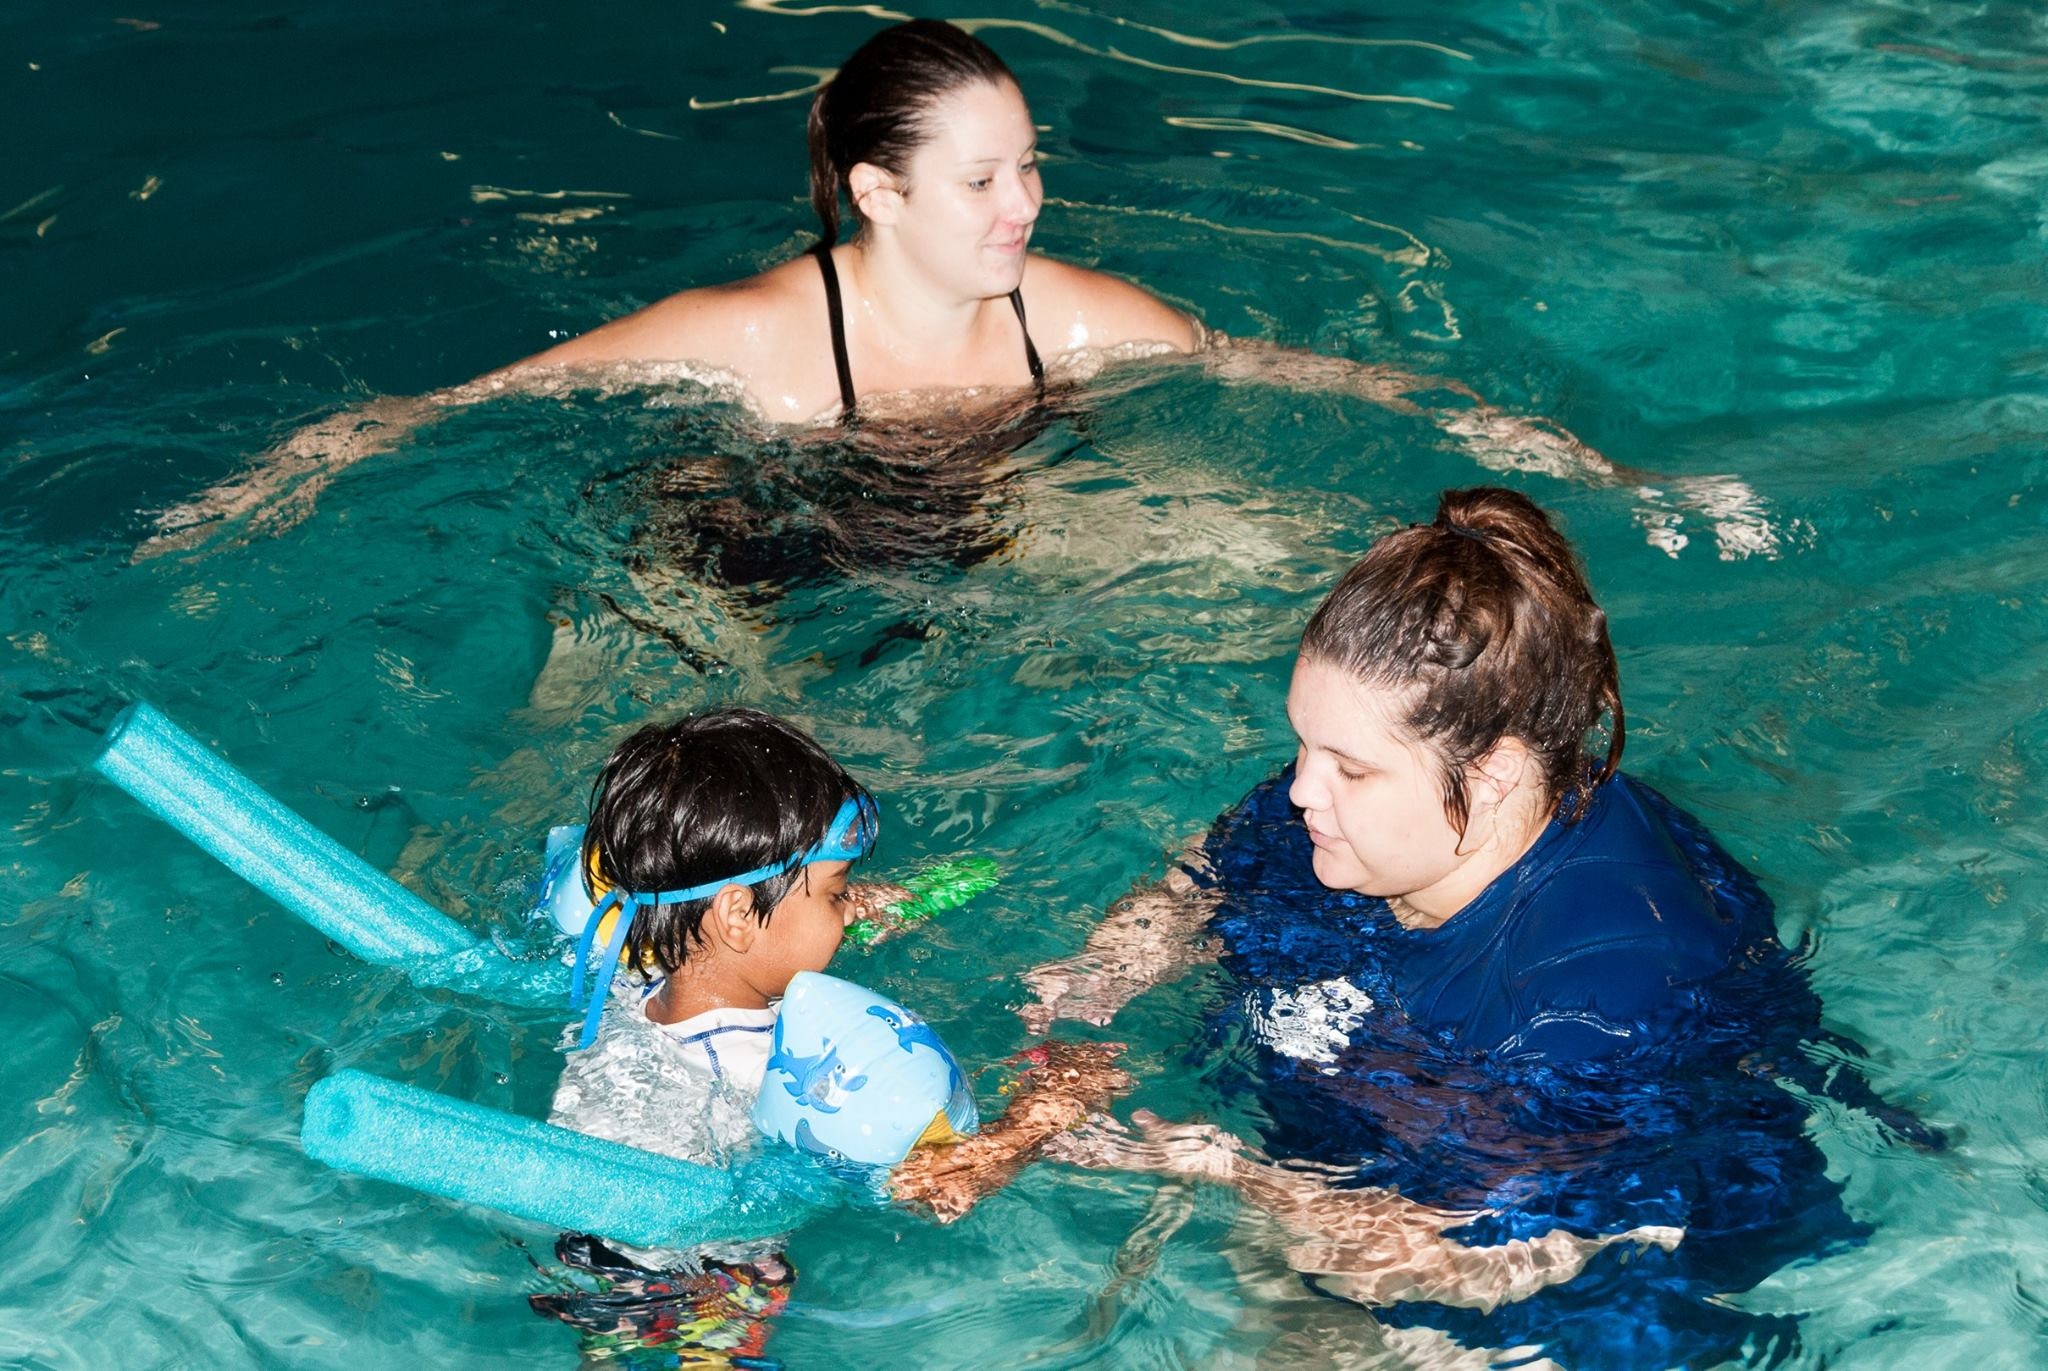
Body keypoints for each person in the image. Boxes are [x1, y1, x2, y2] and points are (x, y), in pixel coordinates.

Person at [139, 20, 1737, 568]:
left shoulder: (1066, 314)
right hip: (741, 554)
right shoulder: (759, 338)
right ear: (878, 192)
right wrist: (276, 481)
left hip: (982, 533)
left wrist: (1617, 473)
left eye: (1030, 167)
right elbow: (454, 411)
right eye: (981, 182)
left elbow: (1328, 381)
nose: (1024, 205)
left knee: (1251, 552)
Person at [1022, 487, 1934, 1365]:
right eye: (1303, 745)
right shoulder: (1360, 815)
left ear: (1493, 776)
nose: (1301, 789)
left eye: (1349, 766)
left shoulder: (1606, 997)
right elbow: (1206, 869)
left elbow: (1499, 1260)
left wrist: (1230, 1172)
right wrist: (1100, 975)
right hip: (1375, 1166)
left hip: (1591, 1294)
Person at [537, 706, 1129, 1365]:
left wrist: (844, 902)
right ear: (738, 915)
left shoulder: (636, 970)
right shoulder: (766, 1064)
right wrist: (1045, 1108)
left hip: (588, 1260)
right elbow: (940, 1185)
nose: (849, 911)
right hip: (695, 1288)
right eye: (837, 893)